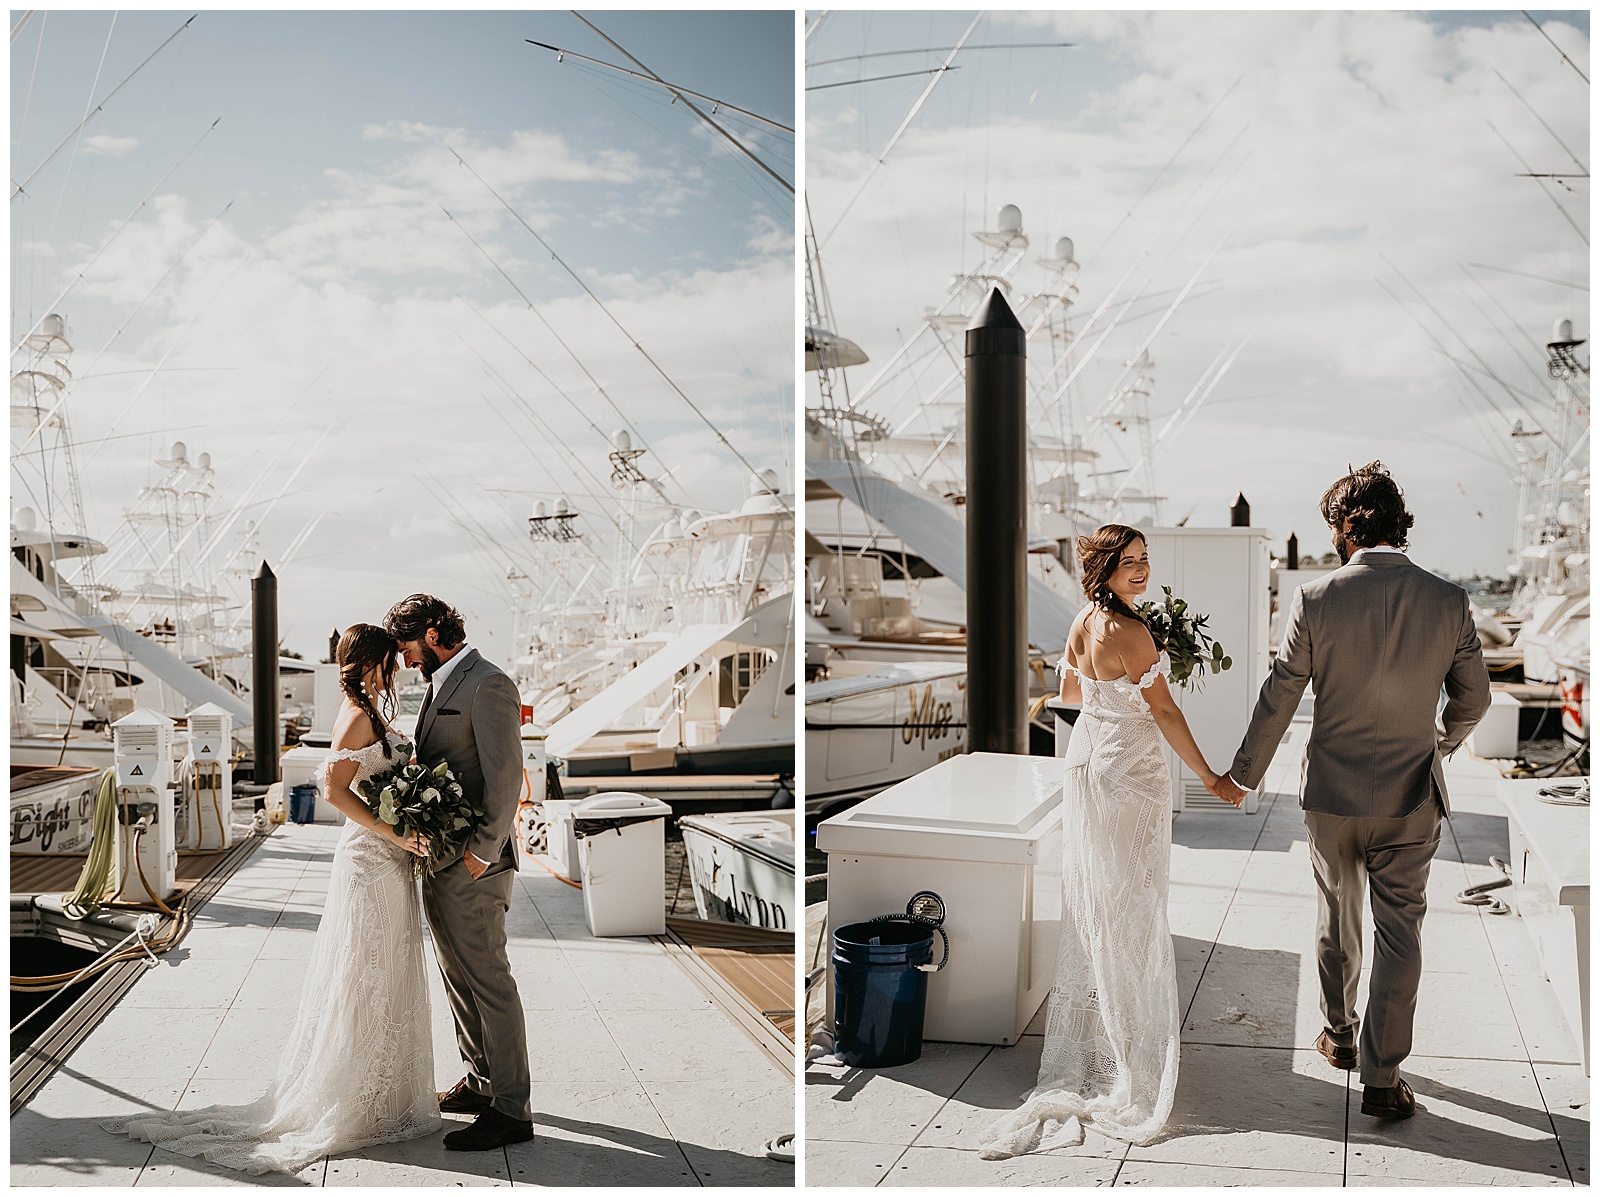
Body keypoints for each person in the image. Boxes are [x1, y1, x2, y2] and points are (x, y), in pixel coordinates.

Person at [103, 624, 440, 1175]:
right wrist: (395, 831)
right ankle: (358, 1095)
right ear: (372, 664)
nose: (397, 668)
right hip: (371, 858)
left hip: (389, 857)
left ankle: (387, 1090)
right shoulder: (356, 716)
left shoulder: (372, 713)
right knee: (367, 970)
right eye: (389, 661)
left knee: (386, 969)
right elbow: (334, 792)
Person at [1215, 462, 1489, 1119]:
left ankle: (1339, 1037)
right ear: (1401, 524)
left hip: (1330, 800)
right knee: (1401, 933)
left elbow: (1279, 696)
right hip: (1410, 800)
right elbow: (1475, 698)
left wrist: (1241, 775)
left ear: (1343, 528)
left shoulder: (1314, 599)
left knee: (1337, 918)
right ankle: (1384, 1076)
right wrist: (1440, 742)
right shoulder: (1449, 600)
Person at [980, 525, 1237, 1159]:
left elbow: (1072, 695)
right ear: (1105, 570)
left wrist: (1110, 691)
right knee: (1134, 910)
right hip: (1130, 781)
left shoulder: (1082, 621)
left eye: (1145, 561)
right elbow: (1166, 712)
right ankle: (1131, 1050)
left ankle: (1112, 1031)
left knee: (1100, 905)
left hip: (1090, 769)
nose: (1142, 571)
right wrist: (1210, 778)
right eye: (1130, 564)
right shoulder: (1133, 632)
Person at [384, 593, 532, 1151]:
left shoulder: (488, 683)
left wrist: (481, 853)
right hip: (441, 861)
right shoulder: (440, 682)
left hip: (475, 863)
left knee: (490, 981)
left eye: (405, 645)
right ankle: (480, 1082)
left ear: (431, 631)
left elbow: (506, 775)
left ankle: (513, 1110)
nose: (402, 657)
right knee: (458, 977)